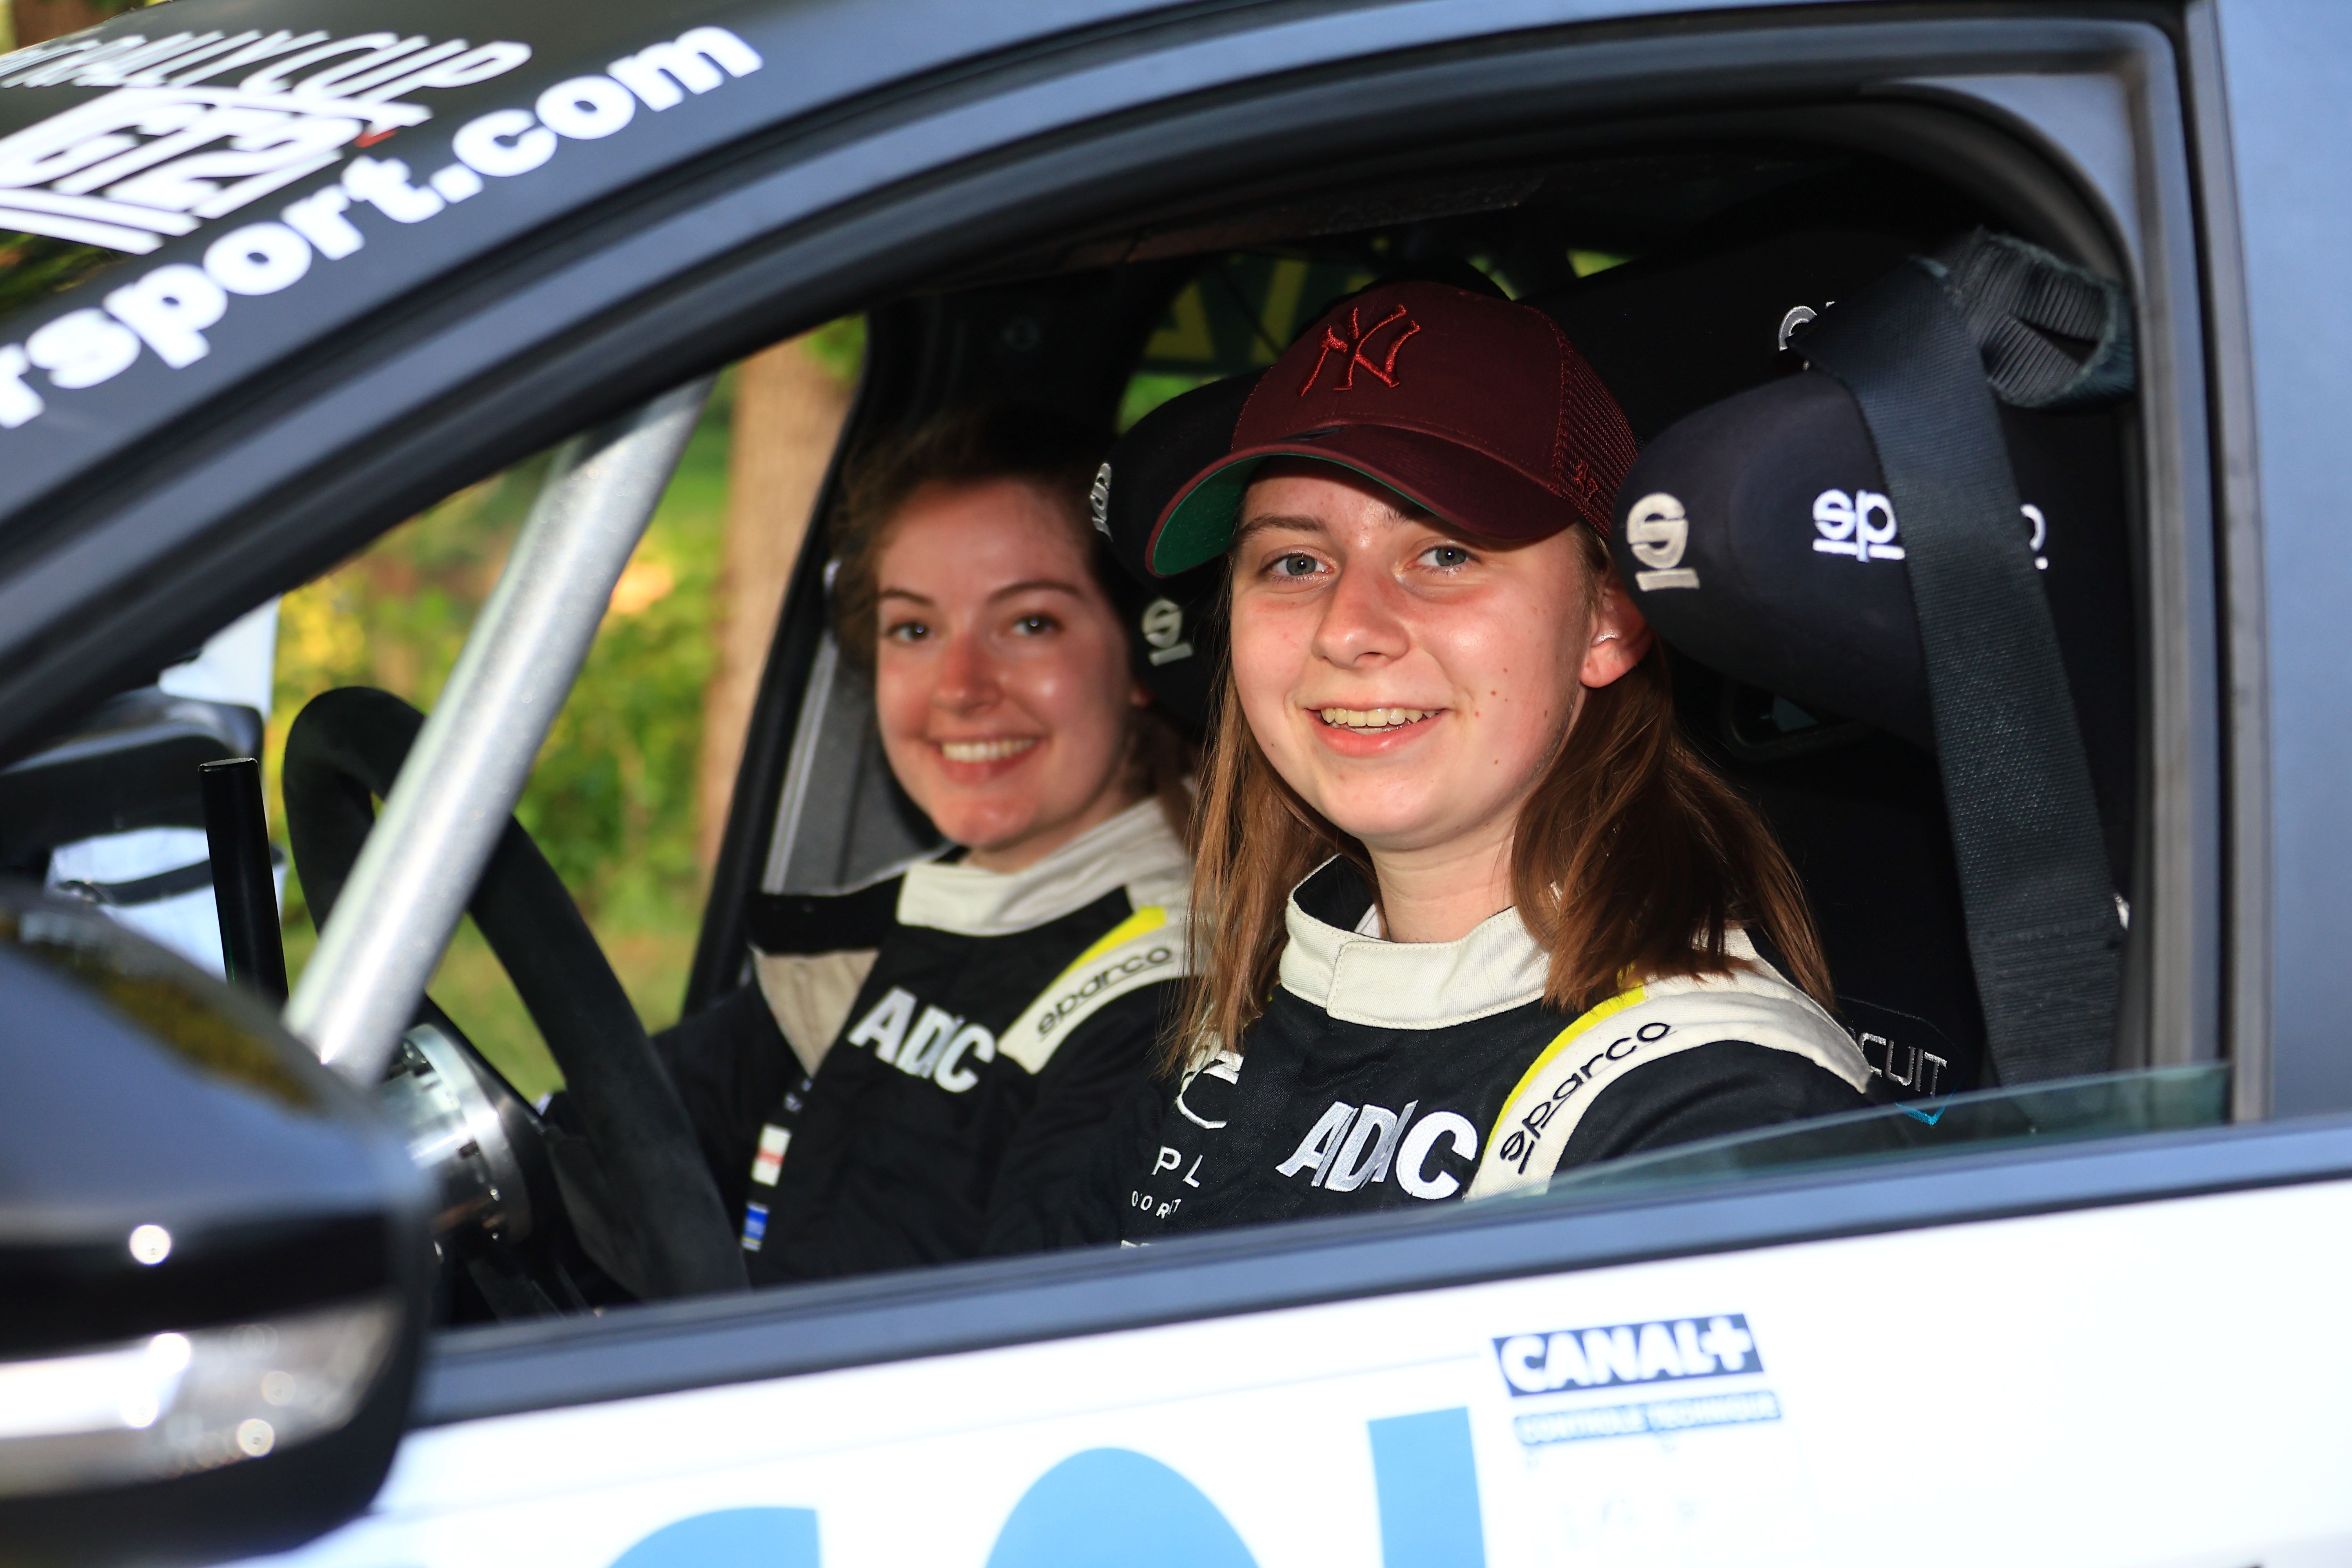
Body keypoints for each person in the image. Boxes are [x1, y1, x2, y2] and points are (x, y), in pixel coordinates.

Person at [1098, 281, 1877, 1240]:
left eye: (1445, 554)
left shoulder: (1715, 1106)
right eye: (1296, 562)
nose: (1347, 627)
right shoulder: (1245, 1004)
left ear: (1609, 617)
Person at [658, 404, 1195, 1283]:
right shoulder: (917, 918)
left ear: (1143, 654)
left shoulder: (1169, 994)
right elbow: (636, 1123)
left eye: (1030, 623)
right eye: (914, 629)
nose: (959, 687)